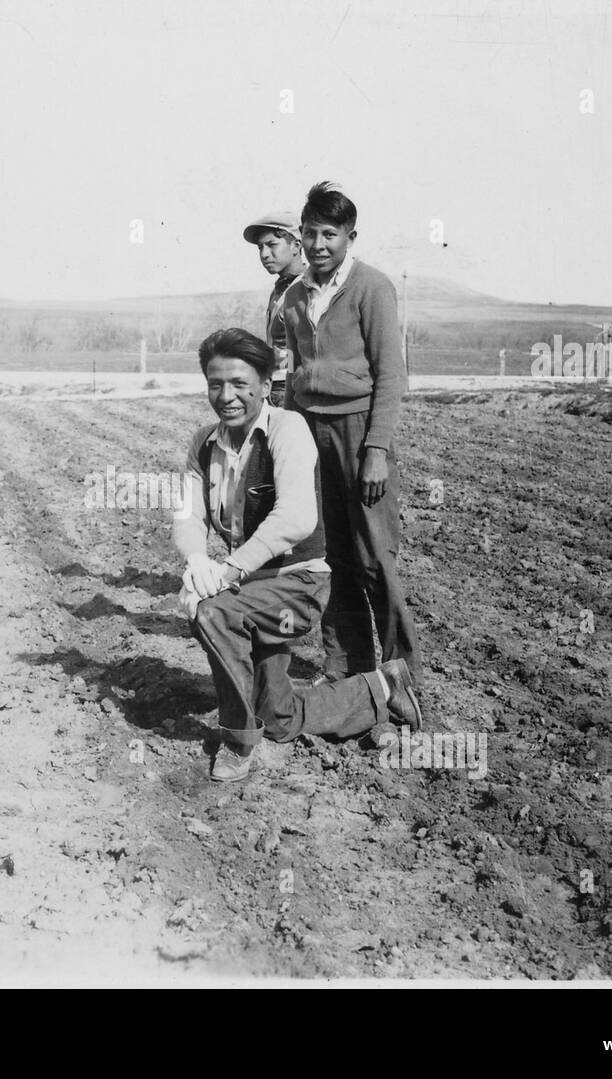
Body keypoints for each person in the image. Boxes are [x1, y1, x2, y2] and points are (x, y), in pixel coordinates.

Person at [173, 328, 421, 782]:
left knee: (212, 614)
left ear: (266, 386)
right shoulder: (204, 443)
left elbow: (295, 519)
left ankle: (237, 739)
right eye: (214, 384)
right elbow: (188, 515)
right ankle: (384, 686)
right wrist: (196, 562)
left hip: (297, 585)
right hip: (252, 587)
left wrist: (226, 571)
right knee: (281, 717)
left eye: (239, 384)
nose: (226, 396)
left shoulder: (288, 430)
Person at [281, 181, 422, 686]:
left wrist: (377, 450)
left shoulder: (372, 288)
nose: (319, 245)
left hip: (359, 432)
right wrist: (288, 444)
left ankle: (400, 677)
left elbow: (391, 375)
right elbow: (295, 380)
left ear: (349, 236)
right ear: (300, 236)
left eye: (330, 235)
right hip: (311, 434)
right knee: (329, 556)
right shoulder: (295, 297)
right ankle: (347, 667)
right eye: (310, 234)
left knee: (375, 559)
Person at [242, 211, 306, 406]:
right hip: (275, 386)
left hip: (293, 389)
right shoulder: (279, 289)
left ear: (296, 245)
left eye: (272, 245)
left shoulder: (307, 289)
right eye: (260, 247)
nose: (264, 254)